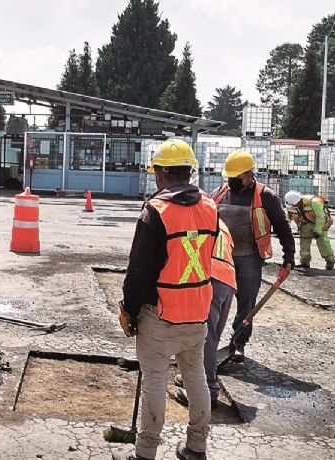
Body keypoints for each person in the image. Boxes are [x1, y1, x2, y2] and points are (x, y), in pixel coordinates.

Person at [116, 139, 216, 460]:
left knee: (155, 381)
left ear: (159, 175)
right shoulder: (211, 207)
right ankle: (196, 447)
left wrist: (127, 309)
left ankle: (145, 453)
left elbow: (139, 270)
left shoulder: (156, 211)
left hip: (161, 314)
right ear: (189, 172)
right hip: (198, 310)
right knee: (196, 376)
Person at [211, 150, 294, 365]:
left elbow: (283, 228)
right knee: (213, 303)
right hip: (221, 260)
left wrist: (289, 257)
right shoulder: (219, 193)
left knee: (246, 304)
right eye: (229, 177)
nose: (231, 182)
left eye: (236, 177)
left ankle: (238, 344)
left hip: (249, 259)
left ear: (249, 174)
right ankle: (207, 344)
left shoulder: (265, 196)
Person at [175, 218, 236, 411]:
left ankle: (208, 390)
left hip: (207, 280)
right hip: (227, 281)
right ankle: (191, 378)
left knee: (203, 339)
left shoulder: (194, 222)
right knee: (211, 337)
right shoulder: (222, 225)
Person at [284, 191, 335, 270]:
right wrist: (285, 231)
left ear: (297, 202)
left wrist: (318, 230)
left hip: (320, 222)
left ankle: (330, 261)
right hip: (306, 223)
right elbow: (288, 219)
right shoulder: (290, 206)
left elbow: (320, 217)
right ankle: (304, 262)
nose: (292, 207)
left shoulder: (314, 202)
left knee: (322, 241)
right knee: (304, 242)